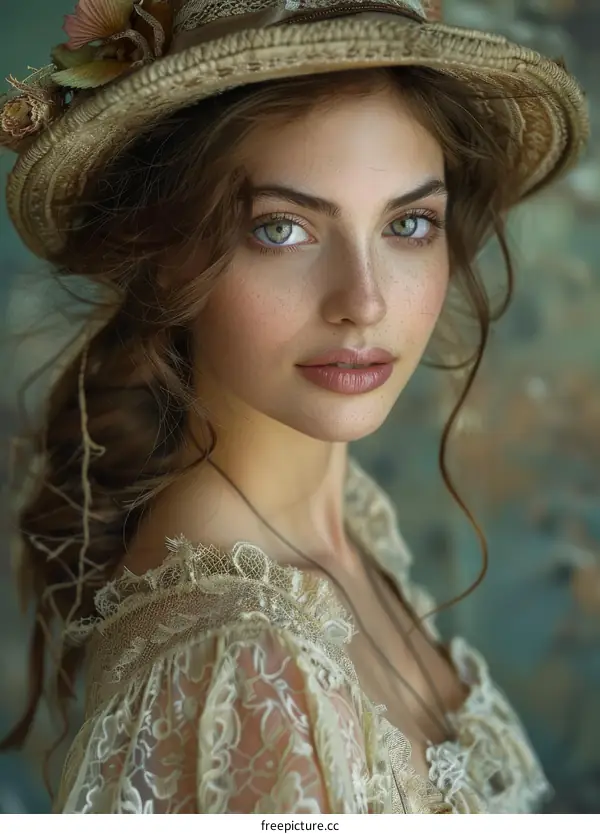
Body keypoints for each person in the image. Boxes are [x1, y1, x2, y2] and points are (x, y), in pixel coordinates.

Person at [0, 0, 589, 815]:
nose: (365, 301)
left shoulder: (344, 527)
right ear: (167, 256)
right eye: (282, 229)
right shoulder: (243, 670)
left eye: (409, 223)